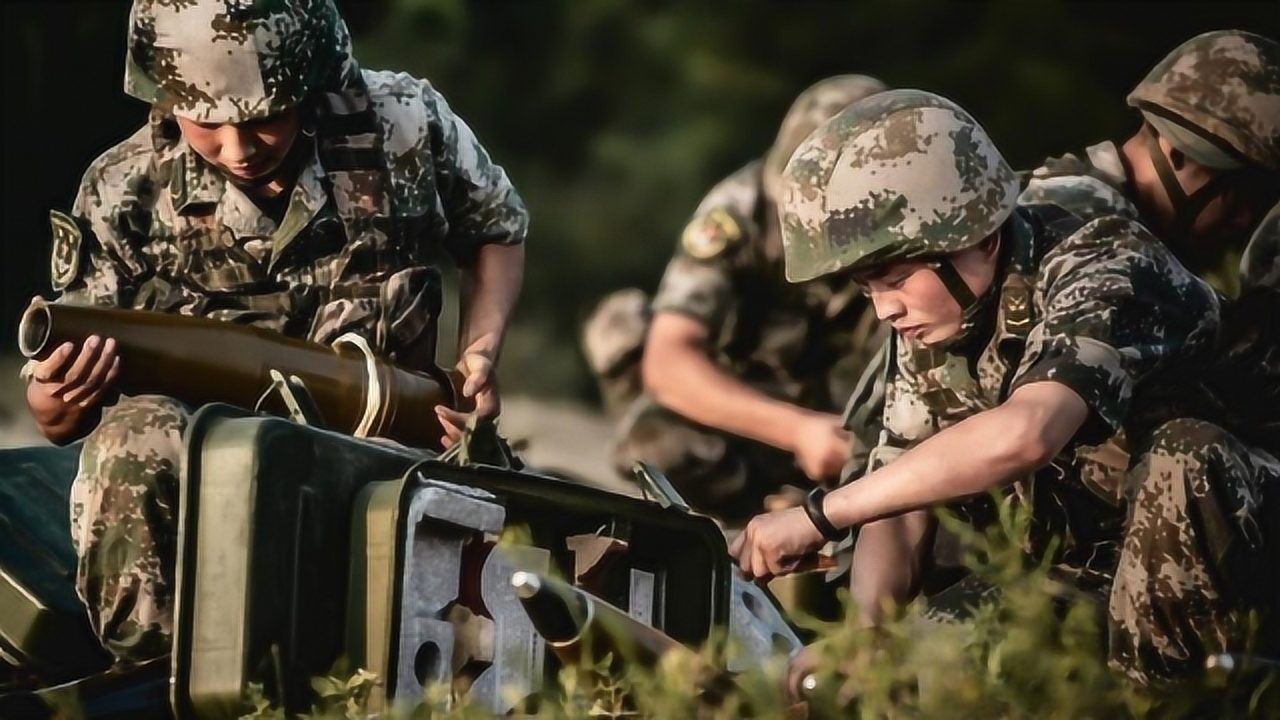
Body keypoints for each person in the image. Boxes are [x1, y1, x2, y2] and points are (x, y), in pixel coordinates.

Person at [22, 0, 527, 666]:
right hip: (210, 490)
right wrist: (58, 402)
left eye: (263, 117)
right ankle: (156, 677)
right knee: (133, 436)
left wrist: (479, 354)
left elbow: (496, 228)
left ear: (312, 82)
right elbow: (57, 418)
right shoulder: (125, 189)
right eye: (205, 120)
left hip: (385, 459)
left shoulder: (402, 124)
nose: (237, 148)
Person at [728, 89, 1275, 688]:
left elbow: (1029, 432)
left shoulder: (1104, 261)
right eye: (867, 288)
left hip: (1237, 545)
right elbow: (897, 494)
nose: (885, 309)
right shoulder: (939, 314)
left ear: (979, 237)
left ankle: (1182, 701)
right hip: (1088, 565)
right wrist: (864, 633)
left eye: (895, 280)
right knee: (901, 681)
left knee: (1185, 453)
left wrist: (822, 515)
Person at [581, 75, 889, 521]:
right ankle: (747, 521)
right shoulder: (738, 213)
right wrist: (797, 430)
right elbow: (668, 360)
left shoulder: (903, 223)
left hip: (864, 418)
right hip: (754, 405)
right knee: (653, 441)